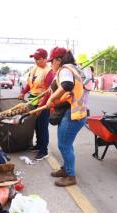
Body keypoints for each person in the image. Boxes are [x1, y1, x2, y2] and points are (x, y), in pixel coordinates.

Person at [46, 47, 87, 187]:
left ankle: (70, 176)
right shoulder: (72, 68)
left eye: (52, 61)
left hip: (73, 113)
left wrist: (51, 99)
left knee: (64, 145)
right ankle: (65, 169)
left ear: (58, 60)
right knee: (66, 144)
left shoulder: (64, 69)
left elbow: (67, 85)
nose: (51, 64)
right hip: (73, 112)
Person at [18, 48, 55, 160]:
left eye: (38, 59)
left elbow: (49, 92)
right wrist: (23, 92)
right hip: (33, 101)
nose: (36, 61)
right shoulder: (34, 68)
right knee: (36, 126)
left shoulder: (49, 72)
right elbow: (30, 83)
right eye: (34, 58)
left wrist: (40, 107)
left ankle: (44, 151)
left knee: (42, 127)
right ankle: (38, 145)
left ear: (45, 59)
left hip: (43, 103)